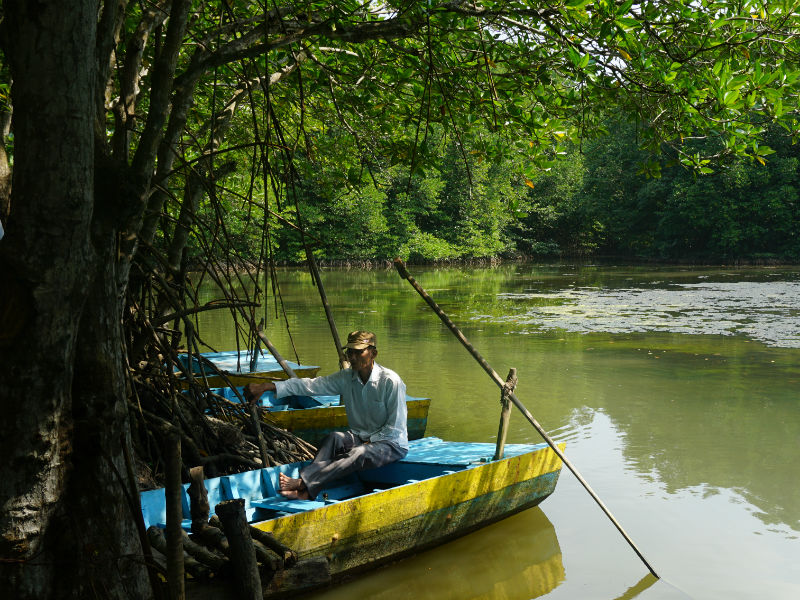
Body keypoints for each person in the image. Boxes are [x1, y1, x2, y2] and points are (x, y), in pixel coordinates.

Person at [244, 330, 408, 500]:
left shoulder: (390, 381)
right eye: (349, 352)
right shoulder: (347, 377)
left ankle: (304, 482)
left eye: (358, 352)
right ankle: (308, 491)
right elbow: (311, 386)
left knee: (358, 452)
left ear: (373, 353)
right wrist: (267, 386)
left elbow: (394, 428)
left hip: (390, 443)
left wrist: (368, 441)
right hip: (362, 437)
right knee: (333, 438)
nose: (352, 357)